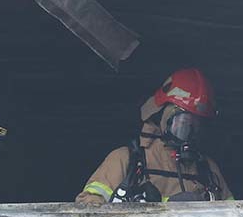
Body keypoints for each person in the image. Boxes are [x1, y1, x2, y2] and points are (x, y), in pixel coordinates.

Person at [76, 68, 233, 204]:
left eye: (196, 125)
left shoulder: (208, 170)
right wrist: (136, 209)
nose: (189, 133)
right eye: (183, 123)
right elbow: (87, 212)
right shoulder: (127, 160)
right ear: (162, 115)